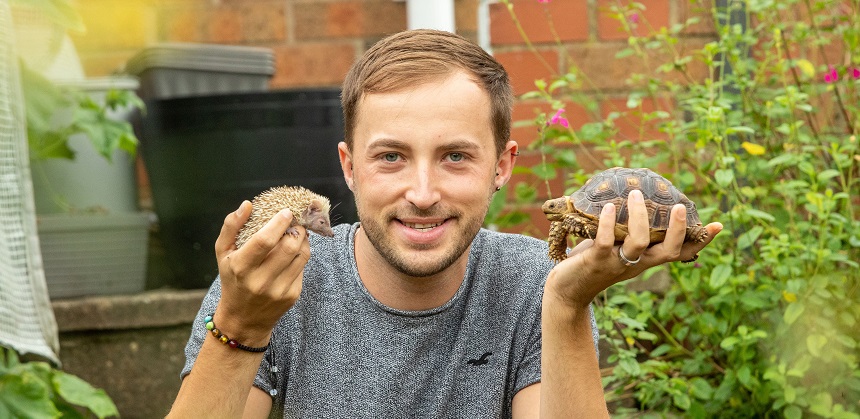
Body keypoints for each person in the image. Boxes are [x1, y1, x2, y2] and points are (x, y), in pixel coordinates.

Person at [168, 29, 721, 418]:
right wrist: (239, 326)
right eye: (391, 157)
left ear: (502, 166)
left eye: (456, 156)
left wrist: (568, 304)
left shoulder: (535, 280)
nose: (423, 194)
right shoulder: (273, 281)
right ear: (349, 166)